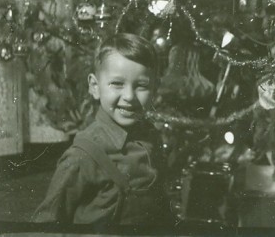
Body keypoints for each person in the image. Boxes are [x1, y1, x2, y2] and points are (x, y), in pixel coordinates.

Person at [32, 33, 171, 226]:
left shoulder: (151, 137)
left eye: (141, 86)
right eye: (117, 84)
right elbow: (45, 224)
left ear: (155, 89)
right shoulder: (82, 155)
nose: (129, 96)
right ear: (95, 87)